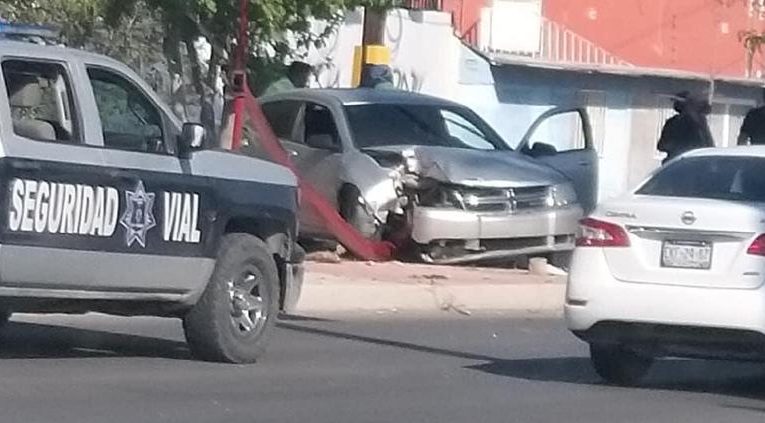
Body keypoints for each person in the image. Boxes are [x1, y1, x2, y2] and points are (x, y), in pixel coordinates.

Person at [657, 91, 715, 164]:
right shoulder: (674, 122)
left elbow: (709, 146)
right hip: (678, 164)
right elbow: (662, 145)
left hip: (694, 164)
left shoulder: (701, 123)